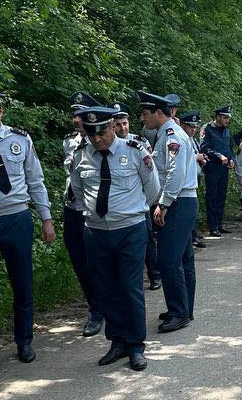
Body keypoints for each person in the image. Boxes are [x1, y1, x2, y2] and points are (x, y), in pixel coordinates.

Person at [71, 106, 160, 371]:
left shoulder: (135, 151)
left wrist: (129, 211)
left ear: (112, 127)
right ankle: (117, 341)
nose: (97, 139)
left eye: (101, 132)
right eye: (91, 134)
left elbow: (152, 188)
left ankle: (135, 346)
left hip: (130, 230)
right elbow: (76, 190)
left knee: (130, 287)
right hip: (96, 232)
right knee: (106, 288)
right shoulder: (80, 156)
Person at [0, 92, 56, 363]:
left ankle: (24, 341)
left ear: (1, 111)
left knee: (22, 283)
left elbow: (35, 180)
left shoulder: (20, 139)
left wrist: (47, 218)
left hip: (16, 219)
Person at [137, 90, 198, 332]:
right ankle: (184, 308)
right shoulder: (166, 134)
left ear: (158, 113)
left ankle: (179, 312)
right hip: (180, 201)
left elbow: (175, 173)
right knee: (183, 259)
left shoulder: (172, 135)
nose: (142, 119)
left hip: (177, 202)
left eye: (144, 114)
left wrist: (163, 204)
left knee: (169, 260)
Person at [63, 92, 104, 337]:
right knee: (80, 262)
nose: (76, 120)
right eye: (74, 115)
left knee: (99, 263)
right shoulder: (69, 142)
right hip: (72, 209)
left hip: (94, 213)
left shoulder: (102, 141)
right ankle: (95, 307)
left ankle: (105, 308)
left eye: (81, 115)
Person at [109, 101, 161, 289]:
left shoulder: (140, 142)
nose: (122, 127)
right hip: (116, 206)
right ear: (111, 125)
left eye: (125, 123)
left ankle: (154, 275)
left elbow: (151, 176)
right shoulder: (104, 146)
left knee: (147, 238)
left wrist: (146, 202)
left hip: (139, 201)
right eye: (118, 124)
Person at [201, 105, 235, 236]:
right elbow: (204, 148)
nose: (227, 120)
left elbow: (230, 147)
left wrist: (230, 158)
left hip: (224, 169)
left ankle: (219, 224)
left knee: (221, 197)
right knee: (212, 197)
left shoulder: (227, 131)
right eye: (225, 117)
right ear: (218, 117)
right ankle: (212, 226)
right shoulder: (208, 129)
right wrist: (218, 156)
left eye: (228, 118)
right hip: (212, 168)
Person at [179, 111, 207, 249]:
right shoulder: (180, 139)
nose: (194, 130)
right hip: (183, 187)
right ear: (183, 125)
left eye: (195, 127)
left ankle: (193, 235)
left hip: (193, 181)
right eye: (191, 126)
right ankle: (191, 236)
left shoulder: (192, 140)